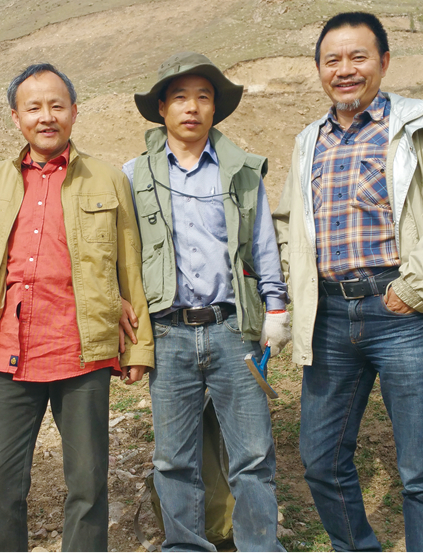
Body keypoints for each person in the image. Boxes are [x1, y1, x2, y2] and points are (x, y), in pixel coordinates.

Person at [273, 12, 423, 552]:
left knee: (422, 470)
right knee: (321, 460)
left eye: (358, 57)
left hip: (401, 312)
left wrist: (412, 288)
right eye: (332, 60)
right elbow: (289, 225)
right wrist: (290, 290)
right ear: (318, 69)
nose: (344, 70)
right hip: (329, 317)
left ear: (384, 62)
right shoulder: (309, 141)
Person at [0, 63, 154, 552]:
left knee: (87, 481)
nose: (46, 117)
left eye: (56, 105)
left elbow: (130, 267)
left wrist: (139, 348)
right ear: (16, 116)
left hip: (81, 350)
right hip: (8, 351)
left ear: (74, 112)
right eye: (33, 107)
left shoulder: (108, 179)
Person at [122, 52, 290, 552]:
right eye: (180, 97)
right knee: (174, 459)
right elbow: (123, 253)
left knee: (253, 456)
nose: (191, 107)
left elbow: (261, 243)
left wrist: (276, 309)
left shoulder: (242, 171)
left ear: (215, 107)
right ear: (162, 108)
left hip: (232, 328)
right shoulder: (134, 175)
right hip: (168, 332)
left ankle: (260, 547)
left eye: (203, 97)